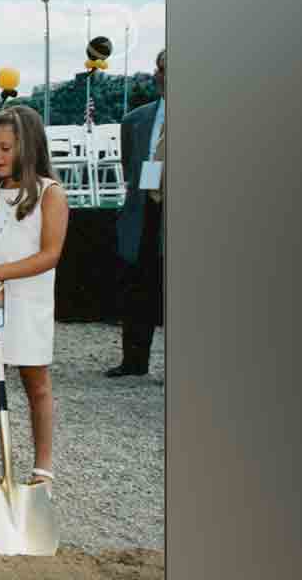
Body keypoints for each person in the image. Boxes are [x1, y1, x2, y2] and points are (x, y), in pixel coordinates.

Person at [0, 105, 69, 491]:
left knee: (35, 381)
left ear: (29, 146)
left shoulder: (50, 194)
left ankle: (43, 466)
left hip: (28, 301)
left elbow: (49, 255)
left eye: (5, 148)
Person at [106, 48, 166, 378]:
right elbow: (130, 166)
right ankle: (134, 361)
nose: (161, 75)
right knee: (138, 288)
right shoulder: (134, 121)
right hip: (144, 214)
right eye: (160, 69)